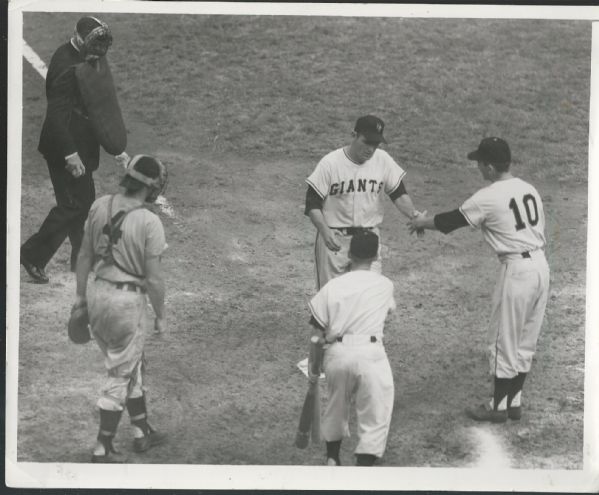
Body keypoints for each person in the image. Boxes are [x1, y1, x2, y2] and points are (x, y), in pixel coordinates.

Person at [408, 137, 550, 423]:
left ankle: (497, 407)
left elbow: (452, 220)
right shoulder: (528, 188)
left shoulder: (489, 195)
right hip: (541, 267)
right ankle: (514, 402)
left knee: (502, 339)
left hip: (517, 271)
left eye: (479, 163)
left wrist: (420, 222)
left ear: (488, 166)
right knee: (526, 338)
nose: (478, 168)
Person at [73, 154, 168, 463]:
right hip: (127, 304)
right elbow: (154, 279)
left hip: (98, 295)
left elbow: (84, 255)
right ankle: (103, 448)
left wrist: (80, 298)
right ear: (152, 187)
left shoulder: (100, 204)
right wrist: (161, 316)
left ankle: (142, 432)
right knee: (120, 371)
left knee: (129, 363)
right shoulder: (150, 221)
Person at [21, 16, 129, 284]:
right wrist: (70, 154)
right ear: (78, 37)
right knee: (73, 205)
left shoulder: (91, 54)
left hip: (85, 145)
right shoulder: (64, 64)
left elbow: (99, 103)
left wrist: (117, 148)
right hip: (63, 147)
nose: (96, 54)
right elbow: (56, 115)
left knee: (84, 204)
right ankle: (32, 255)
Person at [307, 231, 396, 466]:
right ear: (376, 255)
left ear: (349, 253)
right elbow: (389, 310)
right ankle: (363, 467)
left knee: (336, 406)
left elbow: (316, 336)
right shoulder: (386, 285)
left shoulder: (331, 287)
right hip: (371, 355)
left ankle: (332, 458)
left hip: (337, 355)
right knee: (376, 411)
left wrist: (314, 370)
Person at [304, 115, 422, 290]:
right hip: (335, 241)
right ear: (354, 135)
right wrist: (325, 231)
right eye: (367, 142)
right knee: (332, 300)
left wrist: (414, 214)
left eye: (376, 144)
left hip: (368, 240)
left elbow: (399, 194)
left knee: (368, 296)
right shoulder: (330, 163)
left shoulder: (383, 160)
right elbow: (312, 204)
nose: (371, 149)